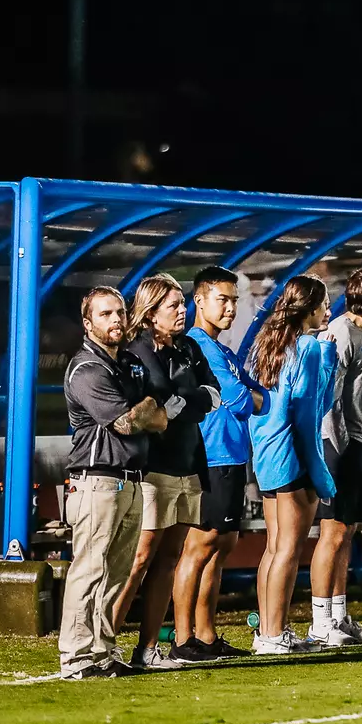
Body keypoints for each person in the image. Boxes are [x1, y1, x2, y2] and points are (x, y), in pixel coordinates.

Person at [110, 274, 220, 670]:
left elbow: (212, 394)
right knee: (140, 558)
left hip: (189, 466)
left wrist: (181, 404)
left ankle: (148, 649)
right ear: (150, 311)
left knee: (170, 558)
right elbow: (155, 403)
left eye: (182, 304)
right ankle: (107, 645)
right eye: (173, 305)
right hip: (153, 469)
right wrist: (182, 403)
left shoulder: (189, 347)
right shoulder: (137, 350)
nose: (182, 311)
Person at [58, 286, 166, 679]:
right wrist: (149, 409)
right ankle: (75, 655)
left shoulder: (124, 364)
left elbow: (157, 407)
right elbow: (129, 421)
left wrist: (150, 409)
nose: (116, 319)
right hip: (97, 480)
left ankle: (102, 651)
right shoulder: (87, 369)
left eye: (119, 312)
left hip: (131, 479)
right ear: (88, 324)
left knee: (116, 574)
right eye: (105, 314)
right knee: (89, 569)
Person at [247, 275, 337, 653]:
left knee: (273, 548)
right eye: (325, 303)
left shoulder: (265, 343)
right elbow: (312, 411)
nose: (328, 310)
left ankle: (268, 632)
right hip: (292, 456)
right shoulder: (310, 347)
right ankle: (274, 634)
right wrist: (319, 473)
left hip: (266, 455)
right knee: (288, 549)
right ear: (311, 308)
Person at [177, 265, 264, 659]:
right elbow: (242, 399)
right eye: (222, 300)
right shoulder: (197, 345)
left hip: (232, 455)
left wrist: (260, 399)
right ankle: (182, 640)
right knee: (200, 545)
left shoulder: (224, 350)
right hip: (211, 457)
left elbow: (256, 391)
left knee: (222, 544)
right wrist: (260, 400)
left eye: (234, 300)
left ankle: (207, 635)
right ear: (199, 301)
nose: (230, 308)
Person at [309, 265, 362, 646]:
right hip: (340, 446)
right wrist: (339, 449)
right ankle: (320, 620)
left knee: (348, 532)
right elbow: (330, 399)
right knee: (331, 533)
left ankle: (340, 617)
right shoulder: (341, 332)